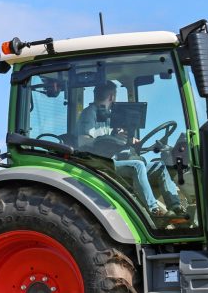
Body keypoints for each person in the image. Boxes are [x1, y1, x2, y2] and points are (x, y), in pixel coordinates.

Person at [78, 81, 184, 217]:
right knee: (138, 165)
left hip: (113, 159)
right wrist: (110, 140)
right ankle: (153, 210)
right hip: (101, 163)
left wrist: (122, 138)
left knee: (160, 166)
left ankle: (175, 207)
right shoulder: (90, 113)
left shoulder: (107, 115)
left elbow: (109, 137)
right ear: (112, 97)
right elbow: (83, 142)